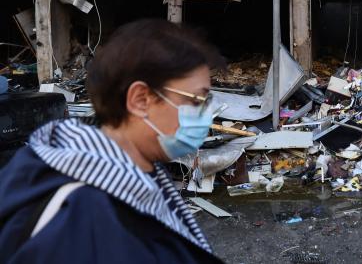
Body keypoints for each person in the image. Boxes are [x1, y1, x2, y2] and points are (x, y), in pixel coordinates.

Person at [0, 19, 225, 263]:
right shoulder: (79, 219)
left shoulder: (137, 172)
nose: (205, 114)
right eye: (196, 101)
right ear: (140, 100)